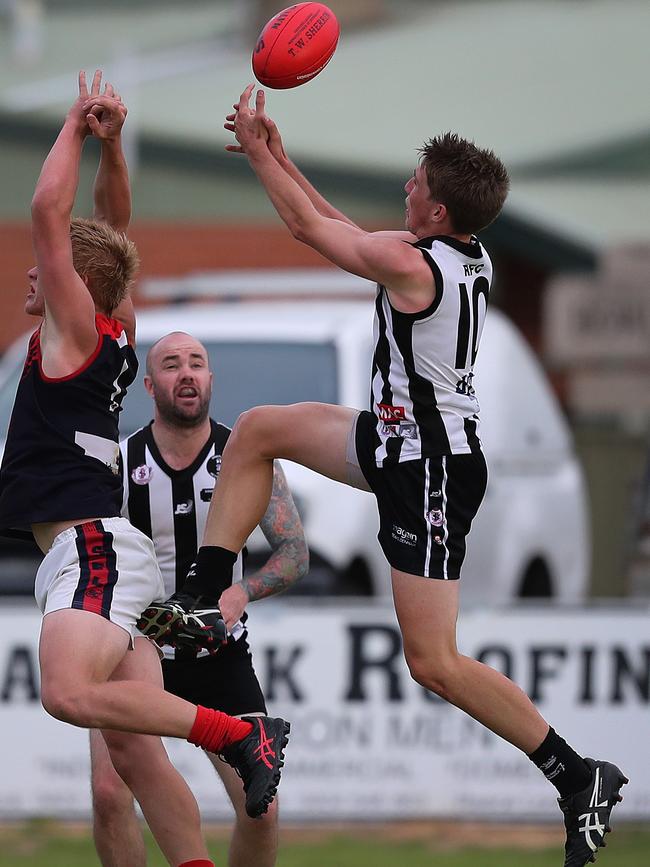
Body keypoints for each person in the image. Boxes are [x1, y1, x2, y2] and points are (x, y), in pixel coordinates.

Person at [140, 85, 628, 867]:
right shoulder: (459, 251)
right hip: (395, 440)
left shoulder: (413, 266)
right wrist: (283, 154)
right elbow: (339, 228)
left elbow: (307, 229)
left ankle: (577, 775)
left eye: (416, 184)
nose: (408, 187)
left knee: (433, 660)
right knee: (262, 427)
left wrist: (262, 156)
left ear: (435, 212)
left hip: (430, 469)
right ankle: (203, 595)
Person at [0, 73, 289, 867]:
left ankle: (241, 735)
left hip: (91, 546)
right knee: (130, 753)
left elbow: (48, 216)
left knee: (63, 693)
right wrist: (114, 143)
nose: (33, 273)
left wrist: (69, 123)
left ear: (76, 285)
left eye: (48, 269)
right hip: (108, 548)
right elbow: (111, 227)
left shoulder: (75, 332)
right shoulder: (116, 324)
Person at [91, 330, 308, 867]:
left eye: (196, 363)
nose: (185, 373)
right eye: (171, 364)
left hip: (217, 654)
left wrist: (239, 592)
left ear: (211, 380)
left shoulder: (245, 459)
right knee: (109, 794)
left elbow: (294, 552)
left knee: (263, 811)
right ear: (148, 385)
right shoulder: (119, 465)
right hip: (132, 653)